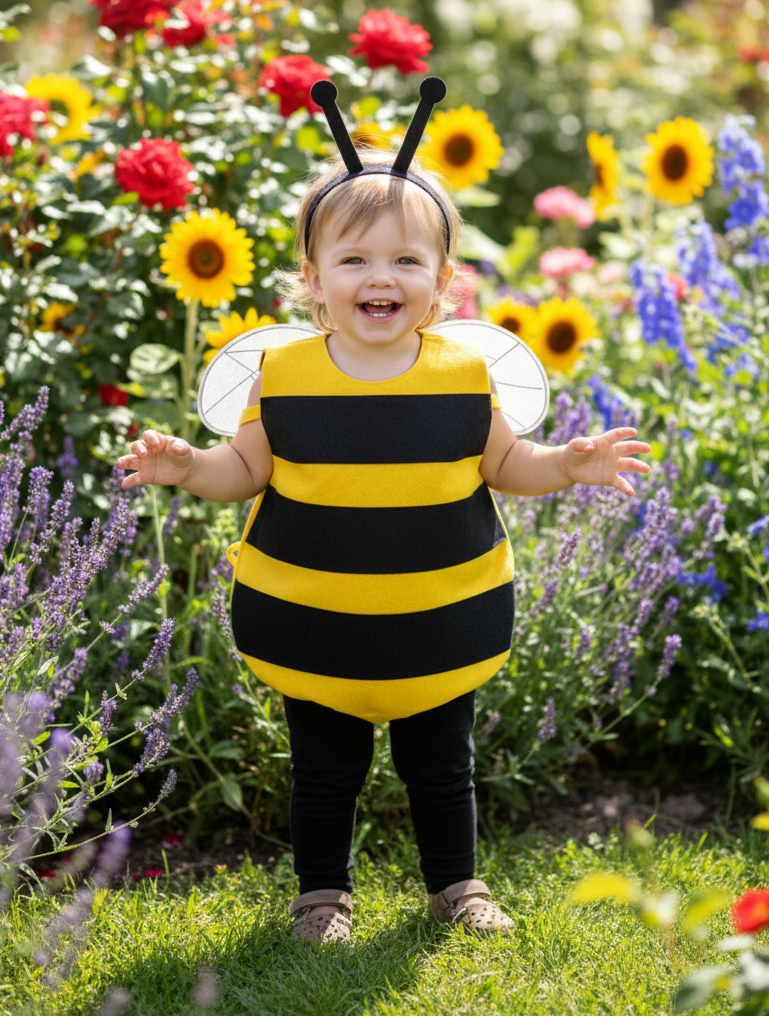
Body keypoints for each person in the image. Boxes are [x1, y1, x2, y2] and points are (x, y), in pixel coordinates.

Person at [115, 141, 651, 946]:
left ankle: (456, 887)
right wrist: (190, 467)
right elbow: (244, 468)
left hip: (437, 623)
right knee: (325, 772)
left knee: (443, 767)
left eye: (406, 258)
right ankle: (322, 898)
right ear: (314, 276)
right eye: (354, 257)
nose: (380, 277)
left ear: (441, 280)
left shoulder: (464, 373)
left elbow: (505, 463)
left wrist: (568, 464)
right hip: (313, 622)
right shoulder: (284, 373)